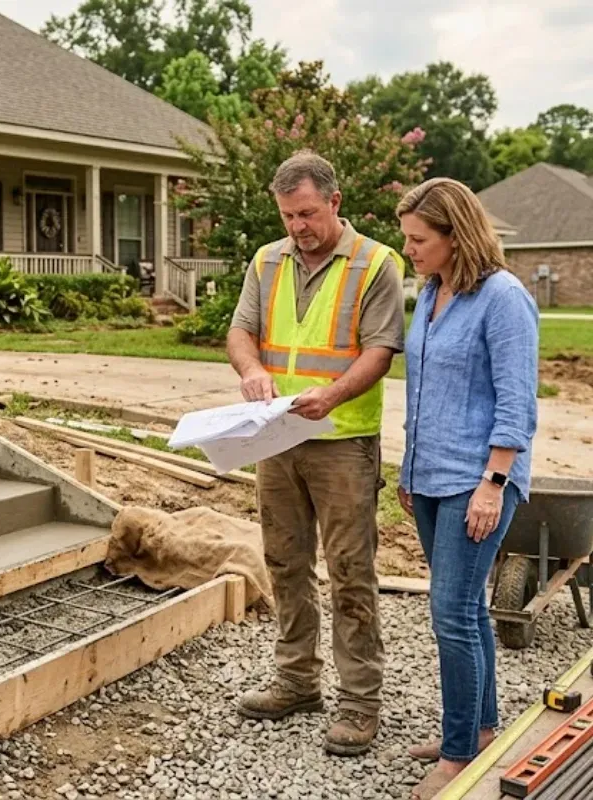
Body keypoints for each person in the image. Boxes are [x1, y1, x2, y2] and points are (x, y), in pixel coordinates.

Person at [228, 150, 405, 756]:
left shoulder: (377, 263)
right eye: (286, 216)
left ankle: (360, 701)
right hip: (277, 440)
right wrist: (252, 372)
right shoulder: (266, 260)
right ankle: (297, 681)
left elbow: (379, 351)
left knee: (352, 571)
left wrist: (331, 395)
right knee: (284, 562)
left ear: (334, 201)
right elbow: (240, 331)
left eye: (306, 213)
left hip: (343, 443)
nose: (297, 227)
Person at [395, 178, 538, 799]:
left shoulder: (503, 298)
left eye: (419, 239)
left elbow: (516, 400)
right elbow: (423, 392)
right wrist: (407, 469)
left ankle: (458, 756)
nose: (409, 249)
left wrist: (493, 483)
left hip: (478, 480)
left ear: (457, 235)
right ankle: (480, 731)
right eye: (406, 238)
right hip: (429, 475)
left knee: (449, 614)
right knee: (466, 609)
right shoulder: (431, 293)